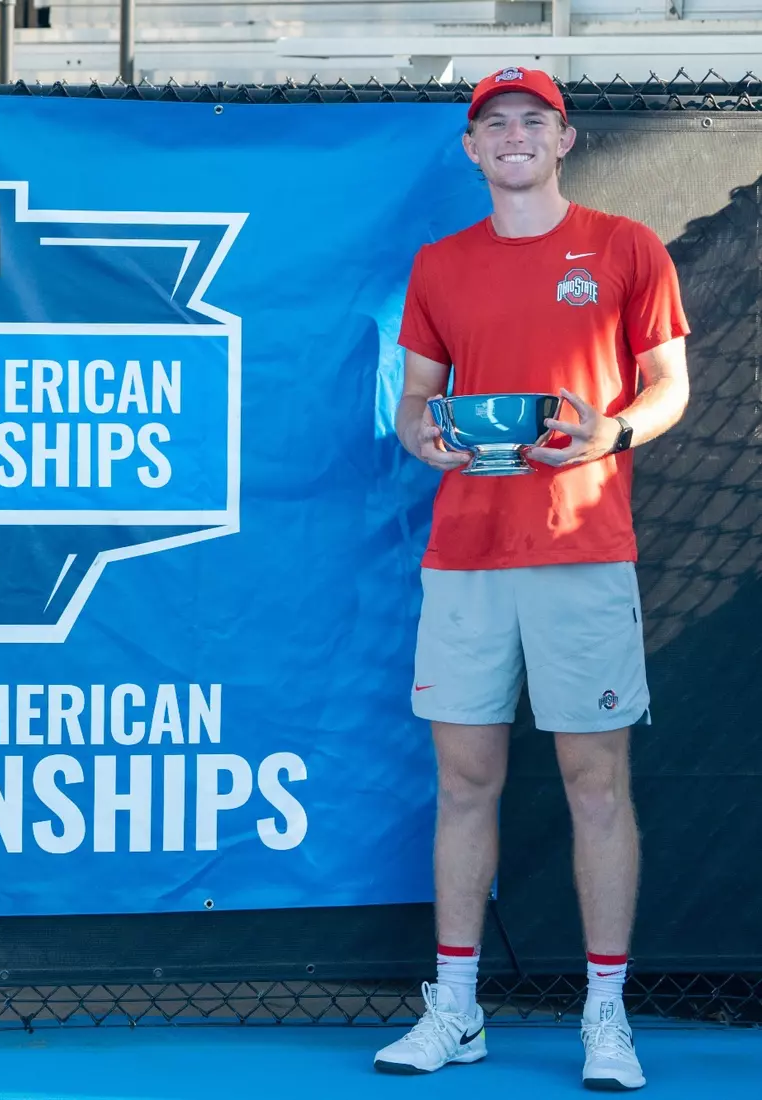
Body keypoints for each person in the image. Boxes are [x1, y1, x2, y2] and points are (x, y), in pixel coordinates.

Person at [374, 66, 690, 1090]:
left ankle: (608, 1013)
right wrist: (422, 435)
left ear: (565, 140)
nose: (513, 136)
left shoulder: (626, 247)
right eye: (494, 123)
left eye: (533, 122)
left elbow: (669, 385)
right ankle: (455, 1007)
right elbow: (417, 401)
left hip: (584, 550)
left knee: (596, 786)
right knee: (464, 783)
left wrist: (613, 432)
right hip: (466, 555)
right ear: (472, 148)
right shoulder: (439, 265)